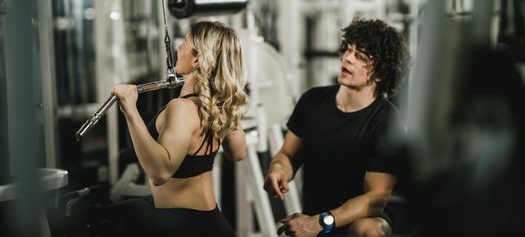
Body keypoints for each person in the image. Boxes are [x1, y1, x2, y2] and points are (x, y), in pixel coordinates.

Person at [264, 17, 411, 237]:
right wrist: (278, 169)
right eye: (348, 50)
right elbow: (288, 154)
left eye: (360, 57)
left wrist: (321, 221)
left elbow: (375, 199)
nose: (348, 59)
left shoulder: (386, 121)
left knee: (369, 230)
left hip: (356, 220)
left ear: (380, 74)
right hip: (312, 219)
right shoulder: (312, 101)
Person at [105, 21, 248, 237]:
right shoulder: (213, 107)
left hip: (185, 226)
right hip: (210, 222)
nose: (178, 47)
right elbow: (238, 152)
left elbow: (160, 172)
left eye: (185, 42)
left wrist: (130, 112)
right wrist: (226, 99)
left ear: (197, 59)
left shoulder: (181, 108)